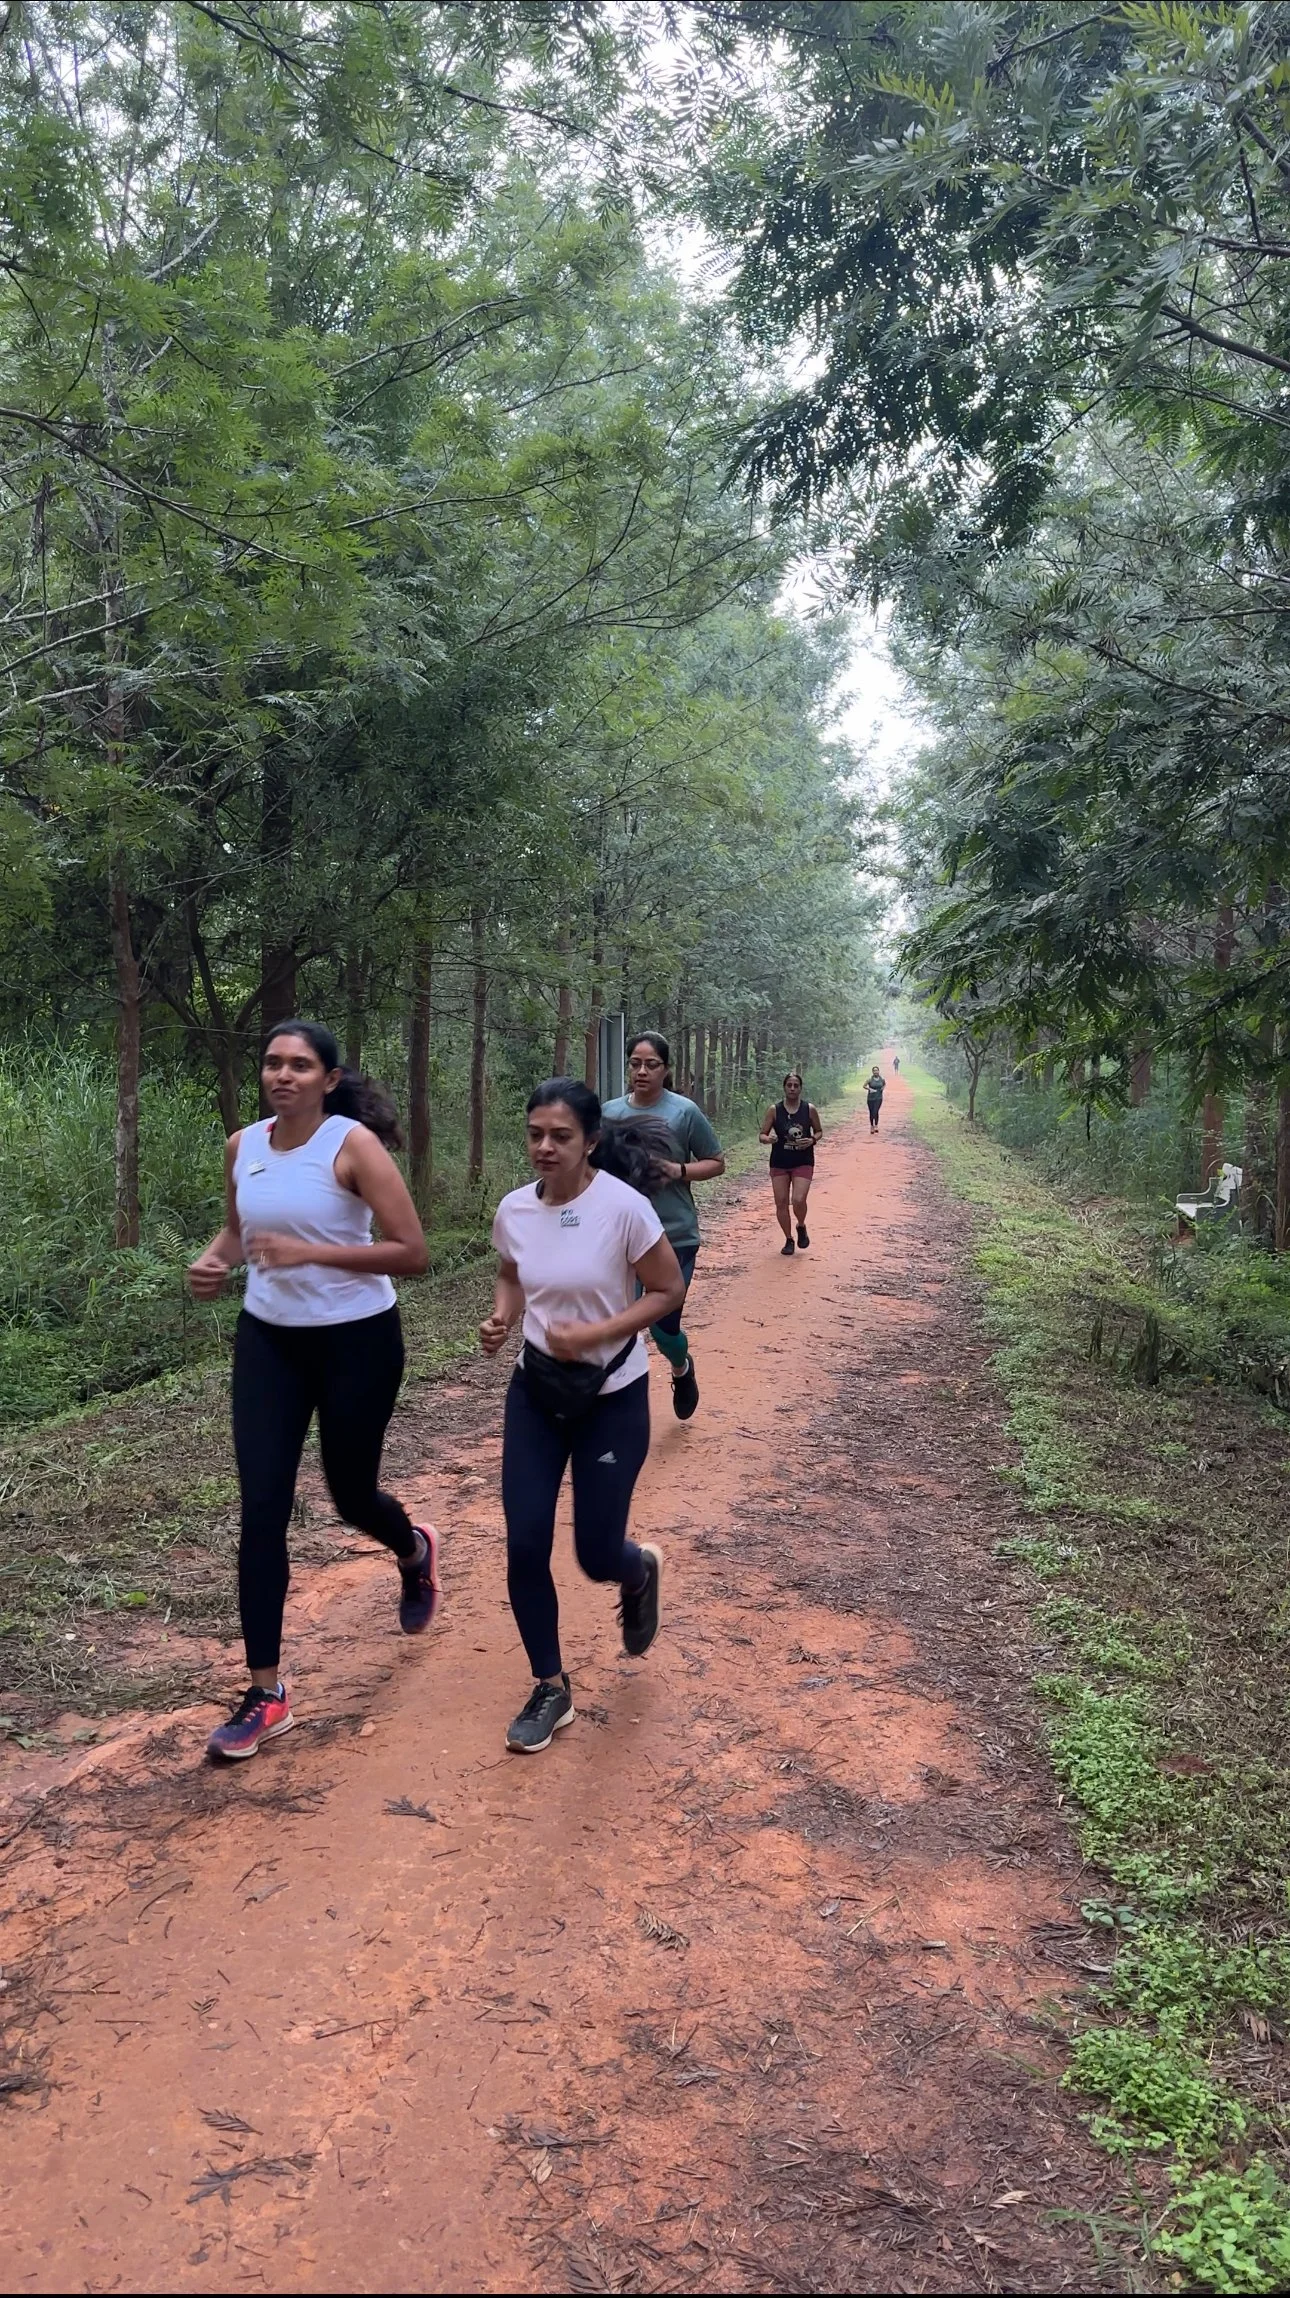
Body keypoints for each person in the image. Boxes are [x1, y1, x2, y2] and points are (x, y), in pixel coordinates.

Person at [188, 1021, 437, 1762]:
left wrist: (312, 1251)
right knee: (262, 1505)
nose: (283, 1075)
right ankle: (266, 1692)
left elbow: (412, 1252)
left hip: (356, 1341)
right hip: (269, 1340)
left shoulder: (351, 1146)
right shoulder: (244, 1146)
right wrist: (211, 1261)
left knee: (350, 1493)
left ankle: (412, 1547)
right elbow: (237, 1234)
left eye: (300, 1065)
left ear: (329, 1079)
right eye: (272, 1063)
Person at [481, 1080, 685, 1753]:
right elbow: (512, 1271)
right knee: (524, 1541)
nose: (545, 1146)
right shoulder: (514, 1209)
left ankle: (636, 1571)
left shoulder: (623, 1209)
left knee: (596, 1554)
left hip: (612, 1397)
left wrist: (597, 1333)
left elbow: (666, 1290)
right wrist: (503, 1315)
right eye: (535, 1133)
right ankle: (550, 1686)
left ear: (590, 1140)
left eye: (560, 1136)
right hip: (536, 1393)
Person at [600, 1032, 724, 1419]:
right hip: (621, 1237)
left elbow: (716, 1161)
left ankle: (681, 1367)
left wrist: (679, 1169)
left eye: (651, 1064)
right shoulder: (609, 1113)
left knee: (663, 1328)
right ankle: (618, 1406)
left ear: (666, 1069)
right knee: (619, 1322)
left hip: (675, 1235)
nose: (641, 1071)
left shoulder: (684, 1112)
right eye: (635, 1063)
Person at [759, 1071, 823, 1254]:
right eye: (789, 1085)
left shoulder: (809, 1109)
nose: (793, 1088)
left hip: (803, 1160)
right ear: (784, 1087)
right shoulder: (774, 1110)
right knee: (781, 1202)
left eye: (796, 1085)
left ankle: (801, 1225)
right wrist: (767, 1139)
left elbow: (819, 1131)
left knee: (798, 1199)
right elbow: (762, 1134)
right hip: (779, 1161)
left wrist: (812, 1139)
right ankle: (788, 1239)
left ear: (801, 1088)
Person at [866, 1064, 886, 1132]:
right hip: (870, 1098)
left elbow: (884, 1084)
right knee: (871, 1112)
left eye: (877, 1070)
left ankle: (876, 1125)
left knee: (876, 1111)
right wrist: (870, 1089)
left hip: (879, 1098)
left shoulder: (882, 1079)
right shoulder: (869, 1080)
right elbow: (864, 1086)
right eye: (874, 1071)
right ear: (872, 1072)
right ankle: (872, 1126)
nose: (876, 1072)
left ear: (879, 1071)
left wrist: (882, 1088)